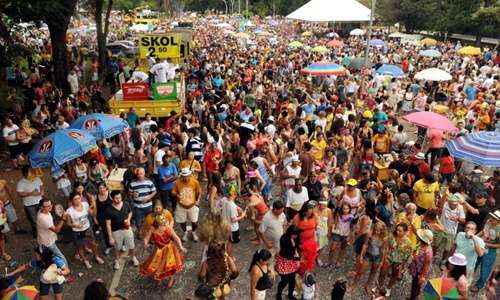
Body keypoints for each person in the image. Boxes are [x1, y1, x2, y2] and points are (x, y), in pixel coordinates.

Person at [141, 213, 185, 288]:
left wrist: (180, 246)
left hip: (169, 250)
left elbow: (176, 237)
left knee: (171, 266)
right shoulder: (152, 228)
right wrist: (145, 243)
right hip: (158, 250)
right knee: (157, 265)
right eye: (161, 224)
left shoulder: (168, 228)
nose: (163, 226)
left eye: (164, 224)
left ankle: (171, 279)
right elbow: (147, 237)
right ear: (157, 224)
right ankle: (159, 277)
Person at [65, 192, 104, 269]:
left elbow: (93, 214)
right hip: (77, 231)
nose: (77, 200)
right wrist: (75, 225)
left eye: (79, 198)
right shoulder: (69, 211)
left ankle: (96, 256)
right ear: (72, 201)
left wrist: (94, 204)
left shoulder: (85, 204)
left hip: (87, 228)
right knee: (80, 247)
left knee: (93, 244)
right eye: (75, 199)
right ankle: (85, 260)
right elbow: (68, 223)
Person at [105, 190, 138, 270]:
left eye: (119, 197)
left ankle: (133, 257)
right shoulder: (109, 209)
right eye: (116, 198)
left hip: (127, 228)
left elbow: (130, 213)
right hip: (116, 231)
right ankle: (117, 260)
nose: (118, 199)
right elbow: (108, 224)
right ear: (112, 198)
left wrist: (129, 220)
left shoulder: (126, 204)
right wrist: (110, 237)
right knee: (118, 248)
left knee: (131, 245)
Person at [378, 223, 412, 296]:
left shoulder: (408, 242)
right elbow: (385, 241)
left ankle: (388, 288)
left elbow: (407, 256)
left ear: (405, 232)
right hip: (389, 257)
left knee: (394, 275)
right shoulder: (392, 236)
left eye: (400, 231)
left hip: (398, 261)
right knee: (383, 272)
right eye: (397, 230)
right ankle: (379, 286)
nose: (397, 232)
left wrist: (402, 266)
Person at [471, 210, 500, 292]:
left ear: (498, 221)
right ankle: (467, 278)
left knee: (485, 270)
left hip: (490, 251)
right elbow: (483, 231)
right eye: (492, 217)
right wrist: (475, 237)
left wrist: (487, 245)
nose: (492, 219)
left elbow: (499, 245)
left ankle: (479, 285)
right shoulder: (488, 222)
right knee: (473, 263)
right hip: (481, 245)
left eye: (494, 218)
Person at [171, 168, 202, 242]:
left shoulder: (195, 182)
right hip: (181, 206)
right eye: (184, 176)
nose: (185, 178)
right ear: (181, 176)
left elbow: (199, 192)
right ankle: (185, 233)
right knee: (182, 221)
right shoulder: (177, 182)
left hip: (192, 205)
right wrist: (177, 195)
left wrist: (198, 200)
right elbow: (173, 192)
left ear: (189, 175)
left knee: (194, 221)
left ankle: (194, 233)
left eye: (187, 176)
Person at [36, 198, 68, 267]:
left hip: (45, 240)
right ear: (42, 207)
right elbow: (56, 230)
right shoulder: (43, 218)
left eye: (51, 204)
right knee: (61, 257)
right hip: (48, 242)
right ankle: (66, 270)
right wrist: (63, 218)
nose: (50, 207)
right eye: (47, 206)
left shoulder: (43, 211)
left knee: (50, 257)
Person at [276, 225, 301, 300]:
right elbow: (286, 254)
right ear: (290, 233)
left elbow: (296, 249)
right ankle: (279, 295)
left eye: (296, 235)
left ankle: (290, 294)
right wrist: (298, 259)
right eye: (294, 234)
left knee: (292, 280)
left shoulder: (295, 238)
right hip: (284, 261)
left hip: (292, 260)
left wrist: (296, 254)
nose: (296, 236)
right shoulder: (284, 239)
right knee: (284, 281)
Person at [293, 201, 318, 275]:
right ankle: (300, 273)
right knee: (302, 259)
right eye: (310, 209)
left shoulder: (314, 216)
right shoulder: (297, 217)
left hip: (311, 241)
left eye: (313, 209)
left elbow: (316, 227)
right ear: (305, 209)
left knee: (310, 258)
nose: (312, 211)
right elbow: (293, 231)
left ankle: (308, 272)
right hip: (301, 243)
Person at [17, 166, 43, 237]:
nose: (32, 173)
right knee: (33, 220)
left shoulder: (37, 178)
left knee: (42, 217)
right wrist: (31, 193)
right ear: (25, 174)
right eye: (30, 172)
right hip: (29, 205)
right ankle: (36, 232)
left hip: (39, 202)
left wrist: (41, 192)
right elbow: (20, 194)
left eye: (31, 171)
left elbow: (41, 185)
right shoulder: (21, 183)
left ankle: (43, 230)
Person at [409, 229, 434, 300]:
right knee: (414, 285)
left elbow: (426, 266)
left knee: (415, 287)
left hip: (419, 272)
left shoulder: (428, 252)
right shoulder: (420, 244)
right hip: (416, 269)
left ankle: (413, 298)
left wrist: (422, 276)